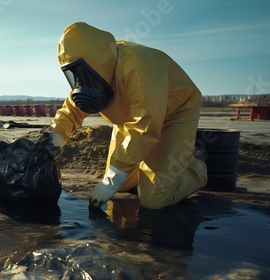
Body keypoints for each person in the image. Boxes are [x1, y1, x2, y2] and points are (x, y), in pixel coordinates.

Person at [43, 22, 207, 210]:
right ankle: (159, 161)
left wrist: (110, 181)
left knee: (154, 199)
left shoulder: (139, 65)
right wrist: (56, 135)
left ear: (95, 62)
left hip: (173, 116)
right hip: (132, 121)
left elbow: (146, 124)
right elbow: (72, 108)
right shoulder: (96, 74)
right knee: (123, 185)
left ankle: (195, 165)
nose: (79, 79)